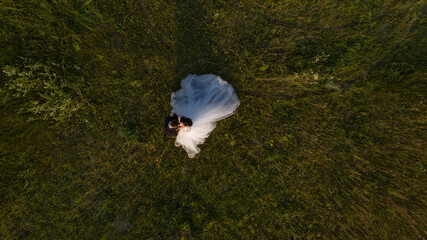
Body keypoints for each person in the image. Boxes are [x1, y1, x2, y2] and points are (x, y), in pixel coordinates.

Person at [168, 74, 240, 158]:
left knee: (203, 106)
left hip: (192, 118)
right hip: (192, 119)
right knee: (206, 107)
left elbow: (184, 125)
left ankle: (212, 102)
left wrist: (180, 124)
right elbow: (185, 126)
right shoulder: (186, 121)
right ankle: (213, 102)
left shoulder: (185, 120)